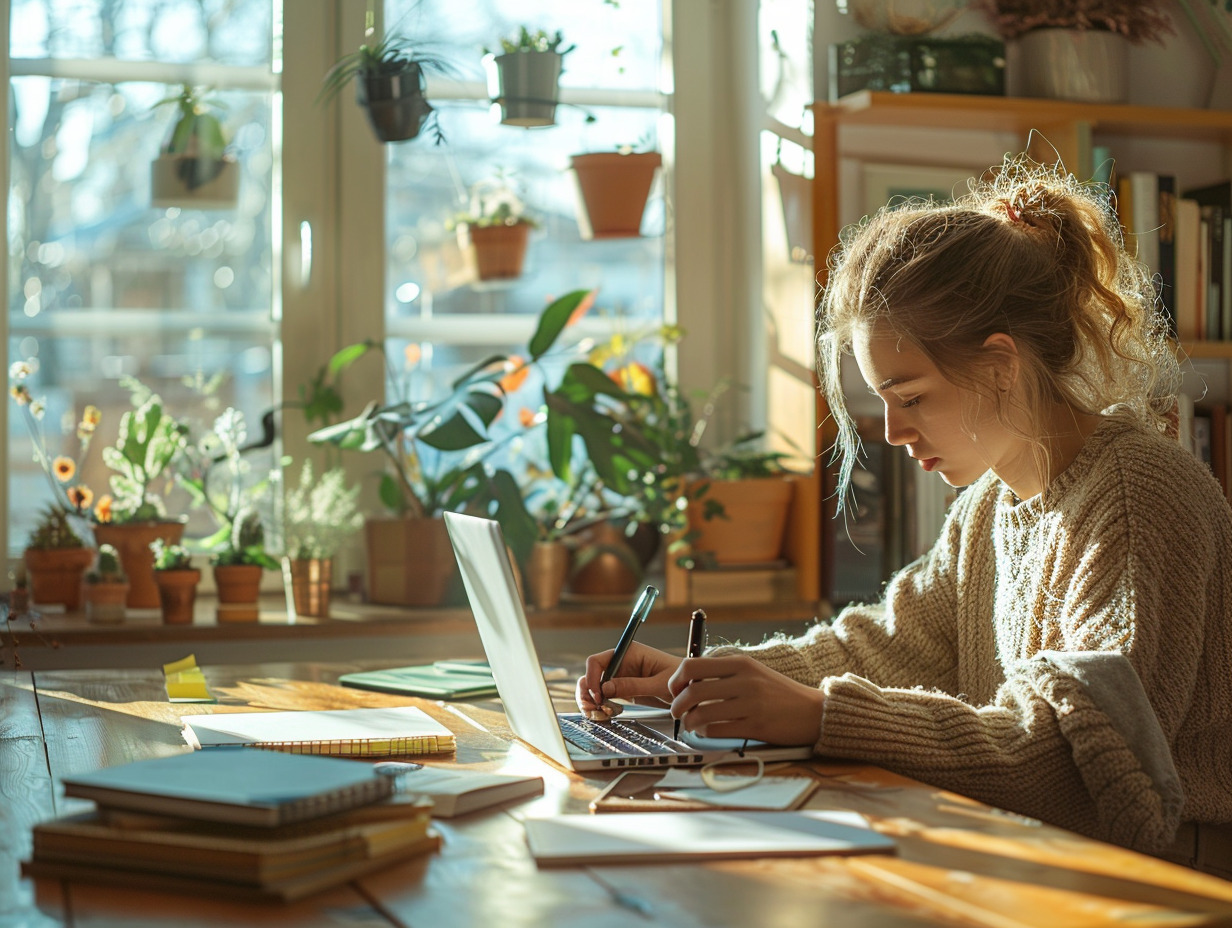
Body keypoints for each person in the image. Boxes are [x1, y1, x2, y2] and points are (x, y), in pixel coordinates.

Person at [576, 154, 1232, 876]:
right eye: (881, 402)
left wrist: (821, 715)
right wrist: (703, 676)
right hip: (1042, 856)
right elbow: (884, 646)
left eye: (911, 396)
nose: (891, 432)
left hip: (1169, 880)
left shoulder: (1140, 499)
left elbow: (1082, 760)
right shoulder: (990, 505)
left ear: (999, 367)